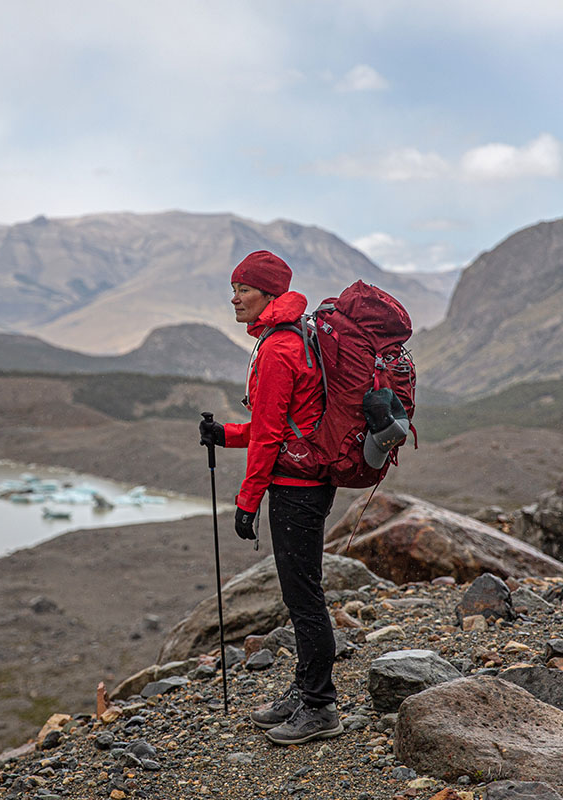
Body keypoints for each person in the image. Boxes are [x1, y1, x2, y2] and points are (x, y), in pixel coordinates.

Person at [198, 250, 343, 745]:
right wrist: (224, 435)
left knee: (304, 597)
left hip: (296, 488)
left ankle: (320, 707)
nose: (234, 297)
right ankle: (305, 690)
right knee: (301, 593)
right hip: (301, 480)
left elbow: (268, 438)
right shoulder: (289, 336)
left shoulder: (279, 349)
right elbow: (269, 427)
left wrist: (246, 500)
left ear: (268, 294)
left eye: (243, 289)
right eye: (235, 287)